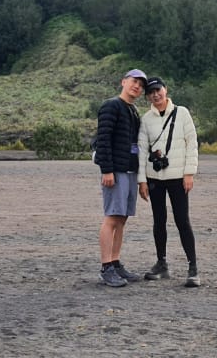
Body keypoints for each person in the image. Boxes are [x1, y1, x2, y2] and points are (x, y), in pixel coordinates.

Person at [136, 76, 200, 287]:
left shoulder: (182, 113)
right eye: (151, 92)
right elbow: (142, 150)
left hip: (178, 178)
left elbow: (192, 143)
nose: (156, 94)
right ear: (147, 97)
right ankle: (162, 263)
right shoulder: (146, 119)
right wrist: (142, 180)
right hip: (155, 178)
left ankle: (193, 267)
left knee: (183, 220)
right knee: (159, 220)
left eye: (158, 90)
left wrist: (189, 173)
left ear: (166, 90)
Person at [94, 68, 146, 287]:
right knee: (112, 217)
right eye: (134, 81)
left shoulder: (133, 110)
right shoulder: (111, 105)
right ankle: (106, 267)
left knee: (122, 218)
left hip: (129, 170)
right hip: (115, 170)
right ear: (123, 81)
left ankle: (116, 263)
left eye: (141, 85)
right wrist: (107, 170)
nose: (137, 86)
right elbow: (103, 138)